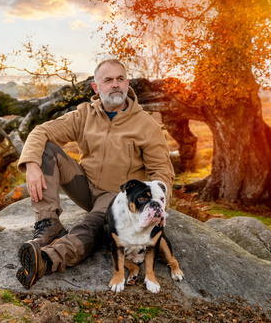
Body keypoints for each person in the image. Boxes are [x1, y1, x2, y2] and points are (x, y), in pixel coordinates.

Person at [15, 58, 175, 289]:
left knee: (90, 226)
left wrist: (157, 212)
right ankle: (48, 224)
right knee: (45, 150)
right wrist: (31, 164)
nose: (115, 85)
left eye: (120, 79)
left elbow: (162, 172)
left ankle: (46, 261)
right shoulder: (84, 114)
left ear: (127, 83)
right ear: (96, 87)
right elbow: (42, 131)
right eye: (108, 80)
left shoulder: (146, 125)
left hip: (116, 197)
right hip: (84, 187)